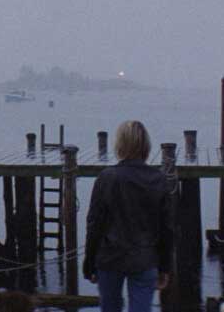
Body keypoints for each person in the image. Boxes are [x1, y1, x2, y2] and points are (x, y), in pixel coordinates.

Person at [83, 120, 173, 312]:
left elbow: (94, 225)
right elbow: (167, 228)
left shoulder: (107, 177)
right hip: (145, 258)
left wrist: (89, 263)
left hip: (109, 258)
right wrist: (165, 266)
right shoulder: (158, 179)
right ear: (146, 146)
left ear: (120, 145)